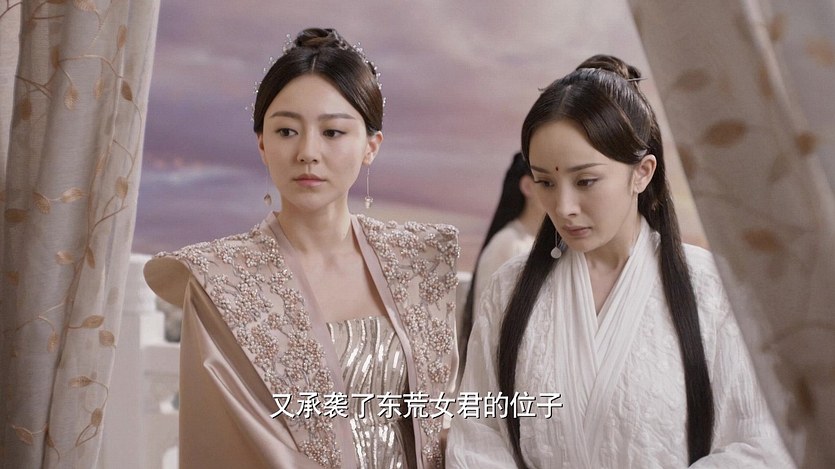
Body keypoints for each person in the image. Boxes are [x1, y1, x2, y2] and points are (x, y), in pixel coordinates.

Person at [446, 55, 794, 468]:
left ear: (642, 172)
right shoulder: (509, 288)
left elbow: (762, 445)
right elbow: (478, 437)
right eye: (545, 182)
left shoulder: (712, 287)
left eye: (586, 181)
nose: (564, 206)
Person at [144, 28, 459, 469]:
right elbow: (226, 444)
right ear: (262, 144)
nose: (308, 152)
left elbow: (442, 416)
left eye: (333, 132)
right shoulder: (222, 281)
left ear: (371, 146)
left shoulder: (418, 261)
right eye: (287, 130)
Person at [458, 152, 544, 371]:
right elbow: (488, 330)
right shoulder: (508, 244)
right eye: (548, 183)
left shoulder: (544, 245)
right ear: (528, 187)